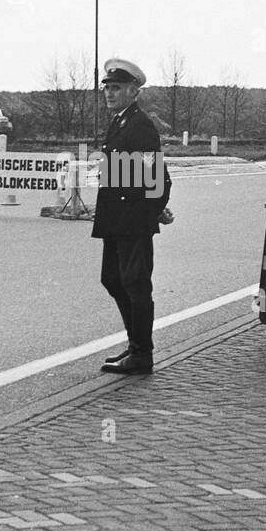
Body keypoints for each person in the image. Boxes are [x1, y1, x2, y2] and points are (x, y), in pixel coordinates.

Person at [93, 58, 173, 375]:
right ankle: (134, 344)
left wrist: (154, 210)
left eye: (116, 88)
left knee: (135, 284)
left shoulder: (140, 125)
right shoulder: (120, 122)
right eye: (107, 88)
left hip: (132, 220)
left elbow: (157, 176)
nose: (109, 94)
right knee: (112, 280)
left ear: (133, 91)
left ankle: (142, 354)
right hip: (116, 218)